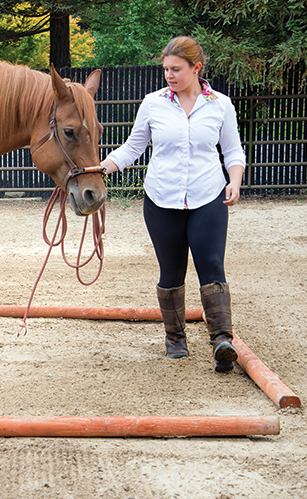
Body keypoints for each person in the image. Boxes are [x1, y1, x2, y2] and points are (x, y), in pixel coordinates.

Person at [100, 36, 246, 372]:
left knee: (211, 264)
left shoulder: (220, 104)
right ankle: (175, 339)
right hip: (161, 198)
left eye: (176, 69)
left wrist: (234, 181)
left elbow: (233, 151)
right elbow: (132, 148)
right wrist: (102, 166)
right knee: (171, 271)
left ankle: (222, 339)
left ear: (196, 68)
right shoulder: (153, 103)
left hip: (208, 195)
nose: (169, 75)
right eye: (166, 69)